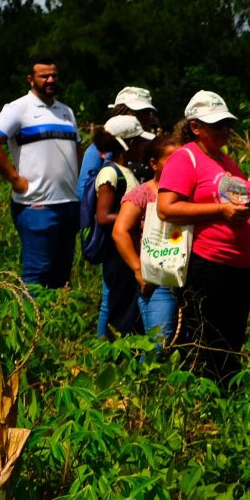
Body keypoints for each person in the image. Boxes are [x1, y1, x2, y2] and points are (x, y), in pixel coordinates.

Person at [157, 91, 250, 385]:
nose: (225, 131)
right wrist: (220, 211)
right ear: (196, 127)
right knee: (208, 337)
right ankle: (204, 402)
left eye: (227, 124)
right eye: (217, 125)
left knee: (232, 337)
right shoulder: (186, 158)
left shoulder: (226, 162)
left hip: (240, 266)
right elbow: (166, 207)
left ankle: (225, 397)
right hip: (210, 263)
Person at [0, 57, 82, 289]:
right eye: (44, 76)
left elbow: (77, 150)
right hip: (37, 205)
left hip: (68, 204)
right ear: (31, 79)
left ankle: (55, 321)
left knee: (62, 274)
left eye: (54, 75)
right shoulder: (18, 109)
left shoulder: (66, 112)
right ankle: (32, 322)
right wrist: (14, 178)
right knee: (37, 275)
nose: (50, 80)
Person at [112, 130, 182, 348]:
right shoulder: (141, 194)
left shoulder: (189, 193)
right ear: (154, 164)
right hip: (156, 279)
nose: (179, 166)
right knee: (158, 345)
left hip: (184, 277)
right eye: (171, 161)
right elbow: (120, 231)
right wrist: (137, 269)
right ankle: (145, 378)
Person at [91, 114, 153, 338]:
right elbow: (103, 215)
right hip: (117, 253)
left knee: (131, 303)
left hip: (129, 249)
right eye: (139, 141)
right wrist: (134, 219)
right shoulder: (110, 172)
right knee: (120, 306)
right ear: (128, 145)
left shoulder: (130, 171)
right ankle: (113, 353)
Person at [78, 86, 159, 255]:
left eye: (146, 113)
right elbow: (85, 193)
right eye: (138, 112)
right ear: (120, 111)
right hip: (116, 238)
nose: (144, 118)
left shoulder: (150, 146)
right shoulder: (99, 151)